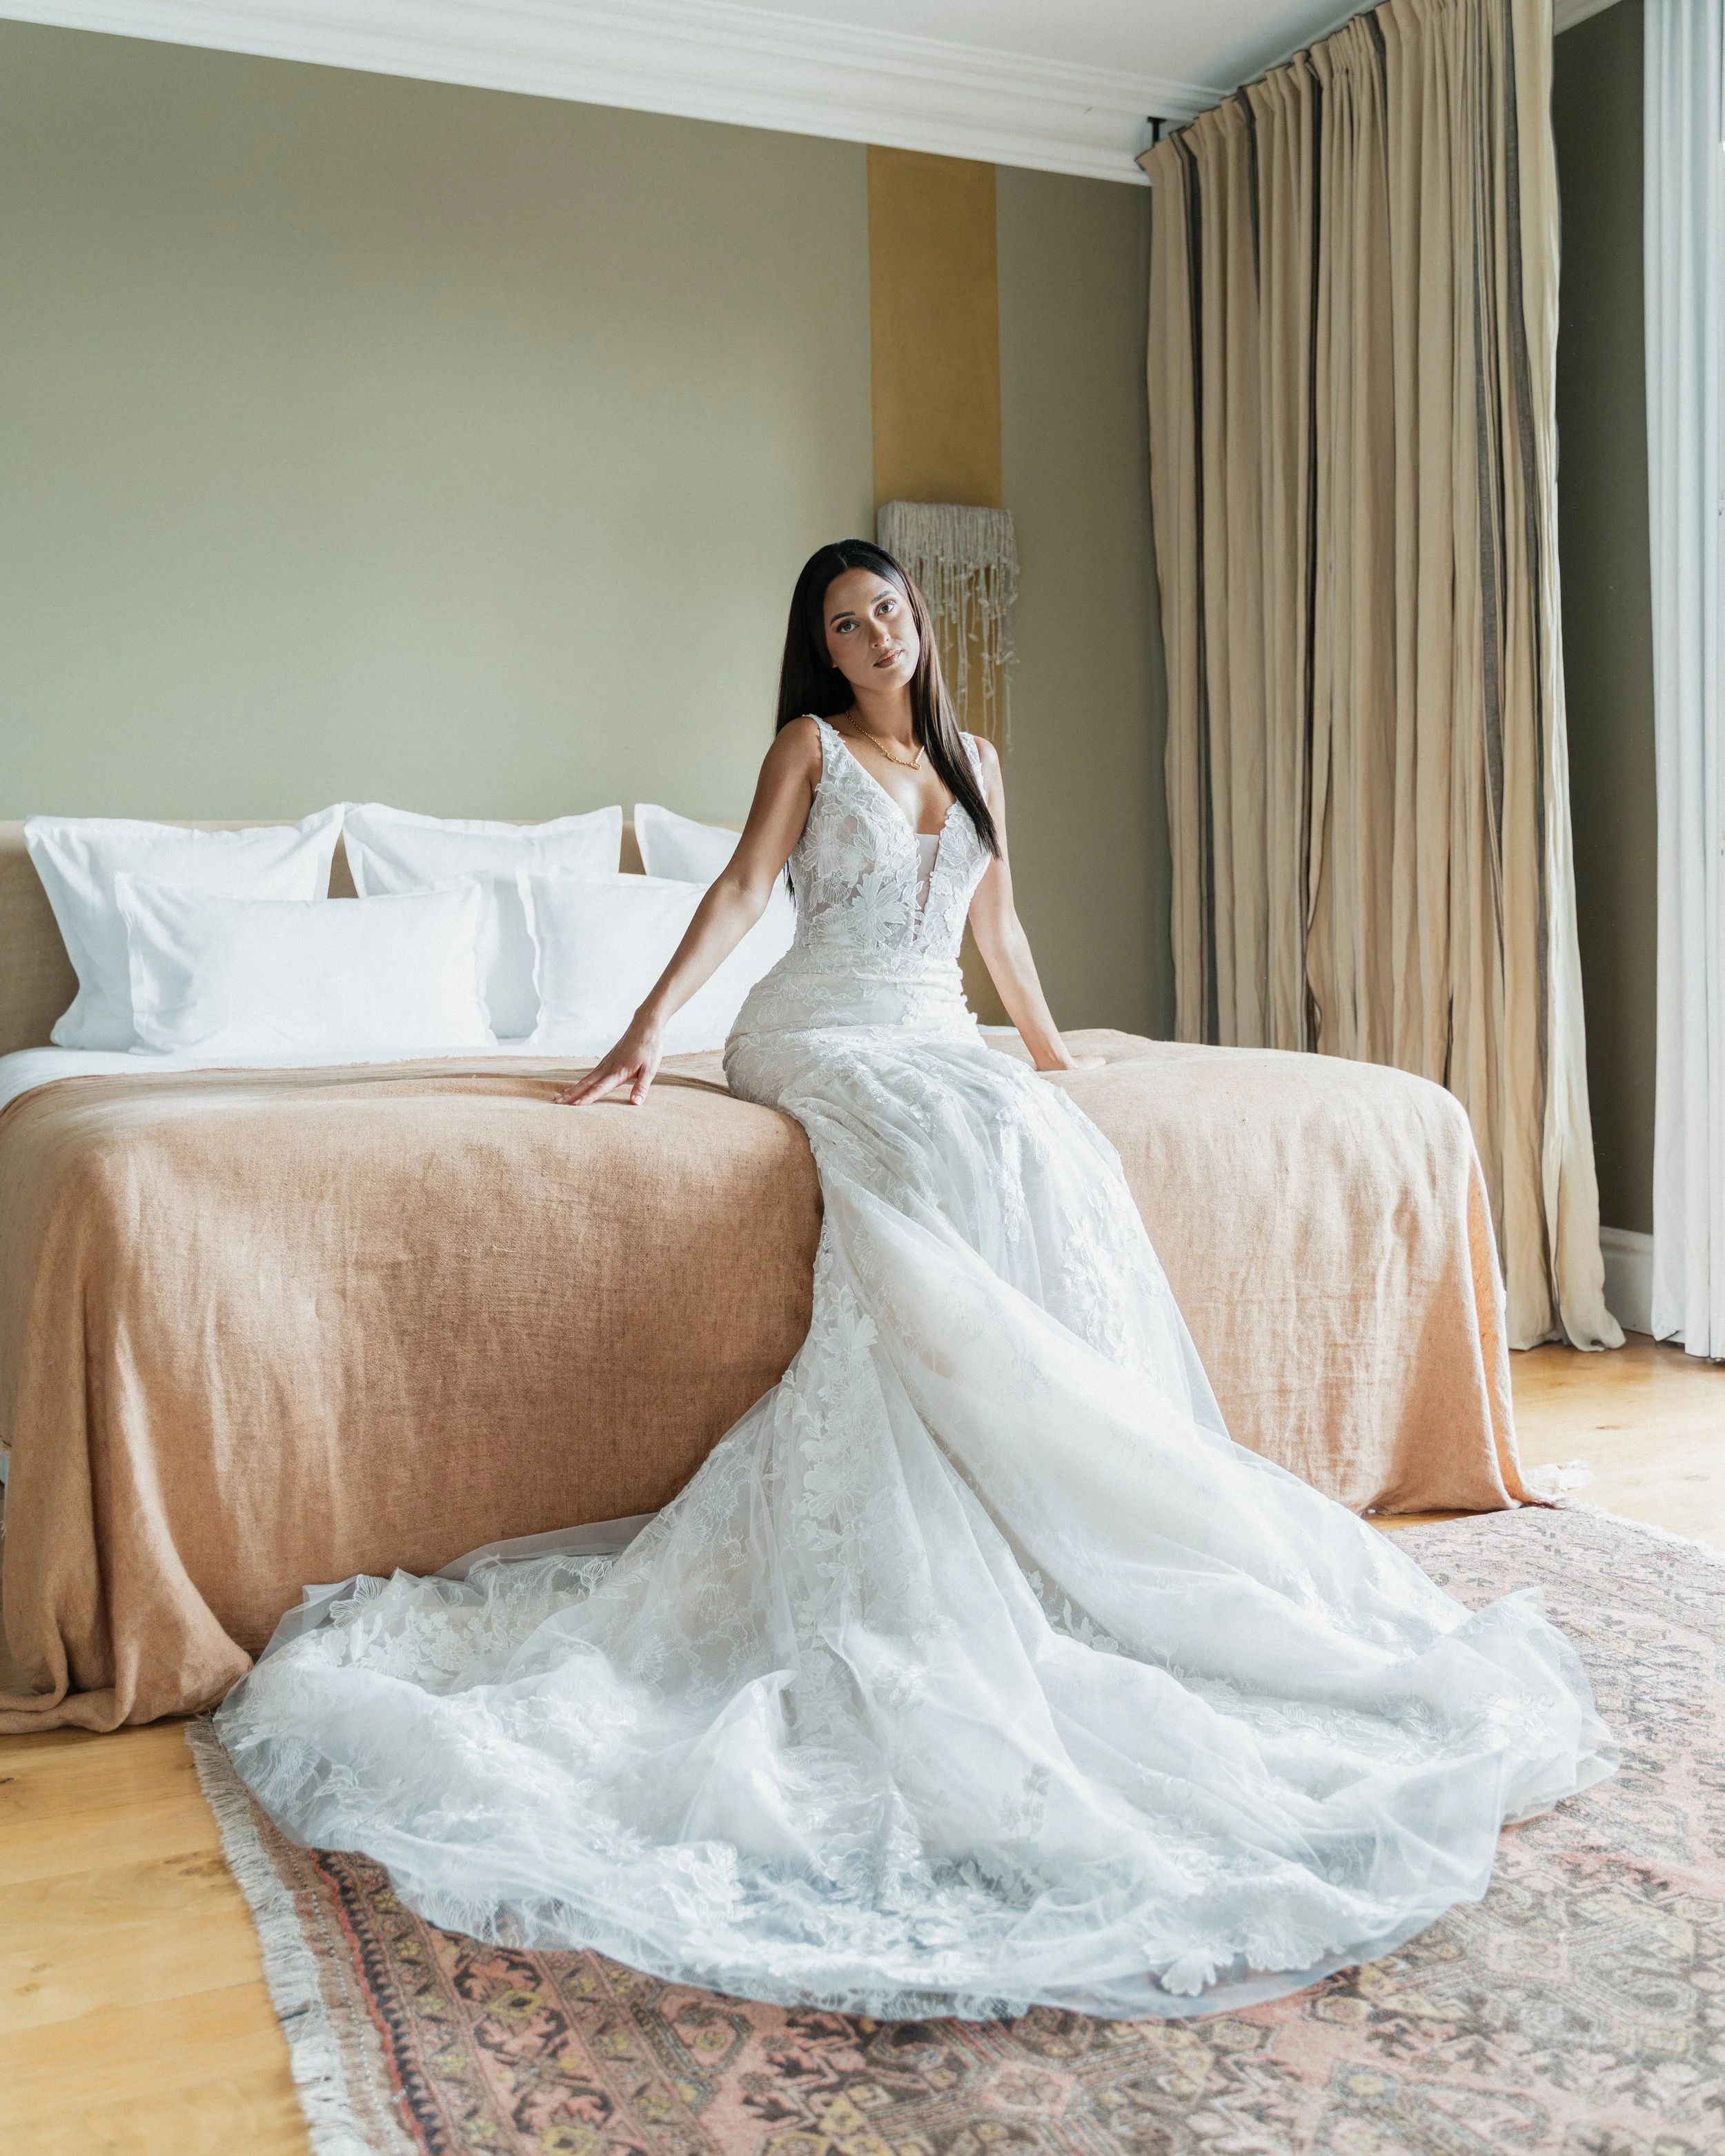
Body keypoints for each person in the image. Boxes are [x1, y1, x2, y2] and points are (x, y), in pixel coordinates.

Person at [216, 541, 1613, 2021]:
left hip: (938, 1028)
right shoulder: (807, 748)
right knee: (959, 1129)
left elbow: (993, 927)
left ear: (917, 621)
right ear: (821, 650)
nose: (873, 630)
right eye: (843, 620)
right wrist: (639, 1033)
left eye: (887, 607)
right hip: (814, 1028)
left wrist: (1059, 1057)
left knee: (1032, 1132)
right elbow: (747, 889)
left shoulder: (976, 757)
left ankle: (1064, 1467)